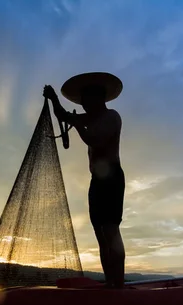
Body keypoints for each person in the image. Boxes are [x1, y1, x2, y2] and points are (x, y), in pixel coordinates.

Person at [43, 72, 126, 288]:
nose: (84, 105)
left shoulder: (111, 117)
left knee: (110, 229)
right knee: (100, 233)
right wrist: (53, 99)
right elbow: (62, 116)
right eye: (82, 101)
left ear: (99, 98)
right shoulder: (89, 118)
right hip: (96, 181)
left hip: (112, 178)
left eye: (87, 100)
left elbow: (94, 139)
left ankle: (118, 284)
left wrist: (77, 122)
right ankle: (110, 282)